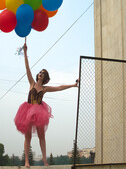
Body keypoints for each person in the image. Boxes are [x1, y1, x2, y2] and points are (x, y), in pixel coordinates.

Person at [14, 39, 79, 168]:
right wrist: (26, 52)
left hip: (39, 112)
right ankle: (26, 161)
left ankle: (44, 160)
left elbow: (59, 87)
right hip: (27, 110)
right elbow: (27, 68)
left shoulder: (44, 89)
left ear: (45, 77)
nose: (40, 74)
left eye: (43, 73)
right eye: (40, 72)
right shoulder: (31, 82)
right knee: (27, 137)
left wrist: (73, 85)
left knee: (41, 136)